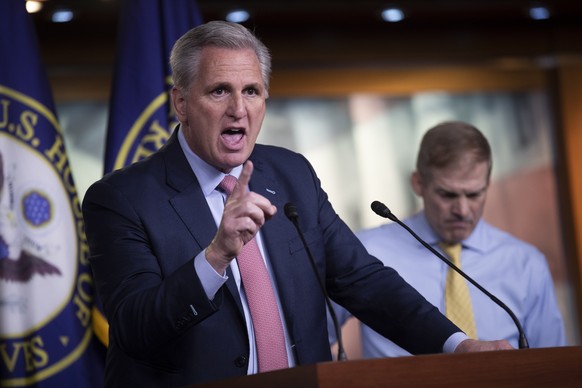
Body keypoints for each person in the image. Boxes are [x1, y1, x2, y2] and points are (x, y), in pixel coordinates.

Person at [82, 21, 512, 387]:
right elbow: (134, 327)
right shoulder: (121, 198)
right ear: (181, 104)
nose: (238, 109)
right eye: (219, 92)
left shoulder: (291, 175)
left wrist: (459, 346)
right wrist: (215, 258)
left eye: (252, 91)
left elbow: (363, 281)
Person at [330, 121, 566, 358]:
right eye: (448, 194)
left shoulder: (526, 264)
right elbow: (310, 336)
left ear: (487, 185)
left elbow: (552, 366)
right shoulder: (367, 251)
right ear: (418, 183)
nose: (462, 210)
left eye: (474, 194)